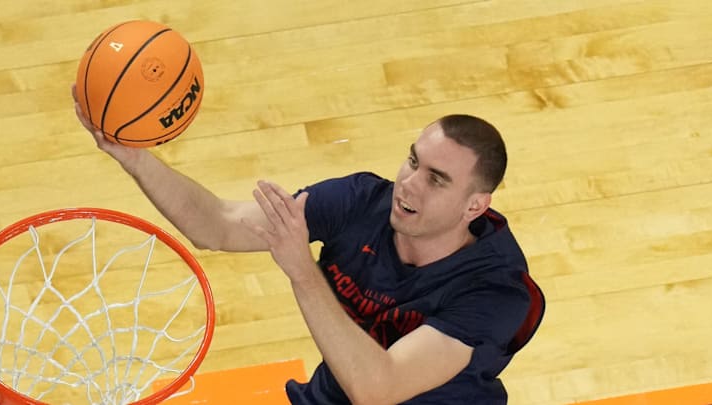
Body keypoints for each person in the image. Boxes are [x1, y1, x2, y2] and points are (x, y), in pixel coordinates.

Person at [72, 86, 544, 405]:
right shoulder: (360, 202)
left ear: (474, 206)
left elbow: (378, 388)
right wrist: (133, 155)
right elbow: (217, 224)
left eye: (436, 180)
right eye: (412, 161)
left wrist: (301, 268)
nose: (409, 185)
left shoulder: (497, 291)